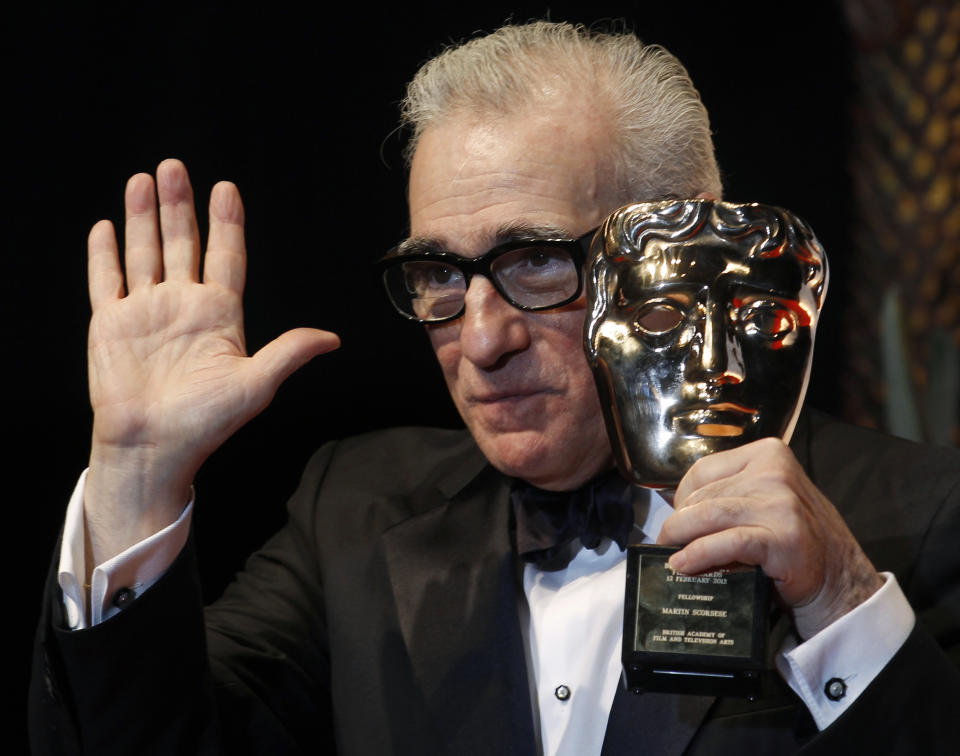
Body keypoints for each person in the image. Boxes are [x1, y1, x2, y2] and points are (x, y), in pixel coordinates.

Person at [30, 21, 960, 755]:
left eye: (539, 263)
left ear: (688, 254)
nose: (481, 338)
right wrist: (134, 476)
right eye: (439, 274)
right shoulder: (355, 513)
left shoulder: (912, 522)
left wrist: (841, 604)